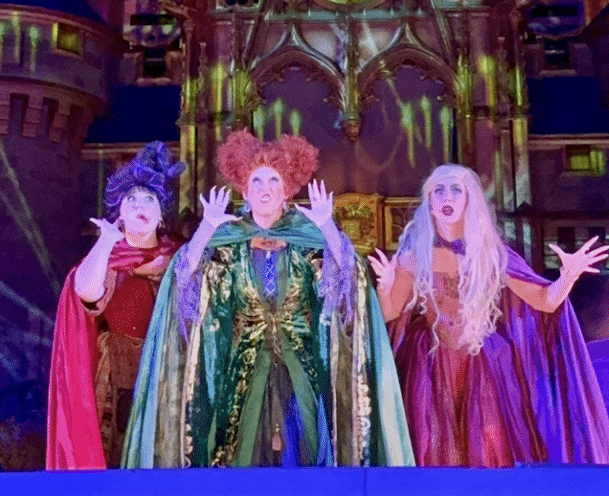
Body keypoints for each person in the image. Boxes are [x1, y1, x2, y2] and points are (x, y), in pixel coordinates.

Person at [121, 130, 414, 468]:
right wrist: (207, 228)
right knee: (240, 444)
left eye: (273, 179)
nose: (264, 187)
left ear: (286, 190)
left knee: (308, 438)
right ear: (244, 190)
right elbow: (185, 278)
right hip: (244, 359)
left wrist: (327, 226)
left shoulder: (308, 236)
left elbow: (349, 280)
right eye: (255, 180)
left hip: (301, 356)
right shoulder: (229, 238)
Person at [369, 164, 609, 467]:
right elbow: (389, 312)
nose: (446, 197)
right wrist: (384, 287)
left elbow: (546, 302)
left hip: (483, 363)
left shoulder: (492, 256)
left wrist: (567, 277)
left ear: (469, 200)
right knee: (432, 449)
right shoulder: (413, 258)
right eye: (438, 190)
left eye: (455, 189)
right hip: (429, 363)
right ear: (430, 203)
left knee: (488, 448)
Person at [46, 142, 185, 469]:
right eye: (131, 199)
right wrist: (106, 241)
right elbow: (86, 293)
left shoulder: (177, 259)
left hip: (167, 373)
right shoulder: (108, 258)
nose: (141, 205)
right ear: (118, 211)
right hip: (116, 377)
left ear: (161, 213)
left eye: (149, 198)